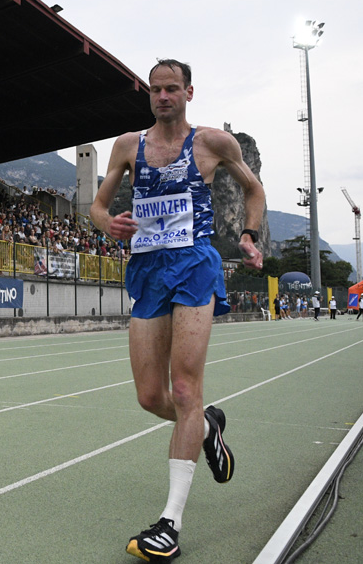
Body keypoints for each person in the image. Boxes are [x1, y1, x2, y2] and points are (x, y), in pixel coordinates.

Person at [89, 59, 264, 561]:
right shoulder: (128, 146)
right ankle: (208, 428)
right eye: (155, 89)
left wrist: (248, 233)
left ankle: (170, 523)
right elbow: (98, 207)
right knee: (150, 396)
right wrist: (109, 224)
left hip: (194, 265)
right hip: (147, 269)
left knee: (186, 388)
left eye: (171, 88)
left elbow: (254, 189)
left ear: (189, 92)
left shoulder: (212, 143)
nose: (162, 96)